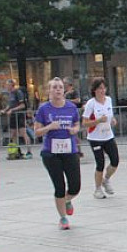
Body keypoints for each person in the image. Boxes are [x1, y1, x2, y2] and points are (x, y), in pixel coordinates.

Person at [33, 78, 81, 230]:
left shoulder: (71, 107)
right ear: (49, 90)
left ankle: (67, 200)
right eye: (54, 87)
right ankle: (63, 218)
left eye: (60, 87)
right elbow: (37, 132)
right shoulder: (43, 109)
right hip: (51, 153)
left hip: (70, 150)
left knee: (75, 186)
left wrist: (75, 130)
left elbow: (77, 124)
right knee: (59, 186)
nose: (58, 90)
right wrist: (49, 127)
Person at [81, 78, 119, 199]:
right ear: (94, 90)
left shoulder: (109, 100)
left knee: (115, 161)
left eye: (104, 88)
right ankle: (97, 189)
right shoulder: (91, 104)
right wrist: (98, 121)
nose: (102, 91)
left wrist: (112, 120)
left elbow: (110, 115)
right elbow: (85, 123)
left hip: (108, 136)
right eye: (99, 88)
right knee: (100, 163)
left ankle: (106, 179)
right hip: (95, 138)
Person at [3, 78, 32, 159]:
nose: (6, 86)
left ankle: (29, 152)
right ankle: (16, 152)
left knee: (23, 133)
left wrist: (12, 110)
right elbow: (10, 104)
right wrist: (5, 110)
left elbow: (22, 105)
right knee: (13, 134)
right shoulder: (10, 94)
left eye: (7, 85)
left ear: (11, 85)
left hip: (19, 115)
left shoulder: (18, 92)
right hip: (12, 116)